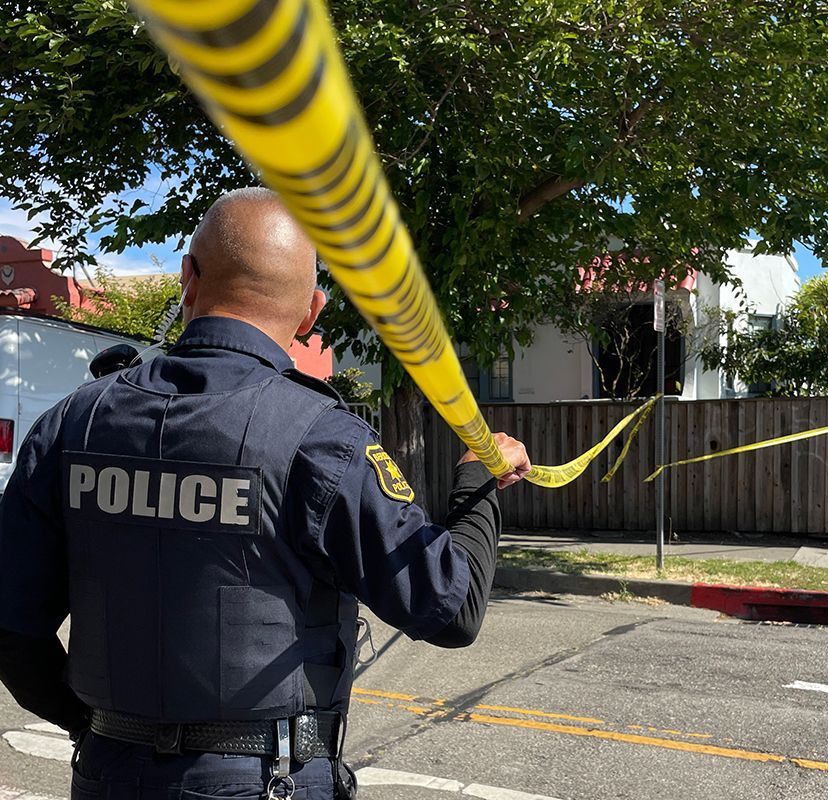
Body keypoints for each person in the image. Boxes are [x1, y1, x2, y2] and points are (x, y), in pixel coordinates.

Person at [0, 187, 531, 800]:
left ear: (187, 278)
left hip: (109, 773)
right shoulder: (324, 439)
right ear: (311, 311)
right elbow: (450, 606)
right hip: (262, 781)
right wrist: (478, 481)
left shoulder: (73, 423)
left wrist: (100, 731)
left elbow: (13, 631)